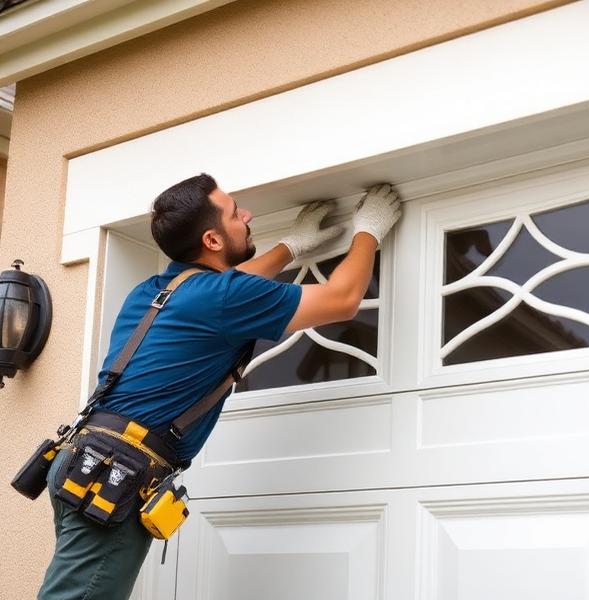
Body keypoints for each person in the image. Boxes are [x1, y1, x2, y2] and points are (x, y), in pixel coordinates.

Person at [38, 174, 401, 599]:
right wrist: (367, 231)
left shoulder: (153, 291)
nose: (246, 215)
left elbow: (226, 289)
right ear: (212, 239)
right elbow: (342, 299)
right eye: (234, 213)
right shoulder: (220, 298)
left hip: (83, 458)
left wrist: (291, 247)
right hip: (118, 472)